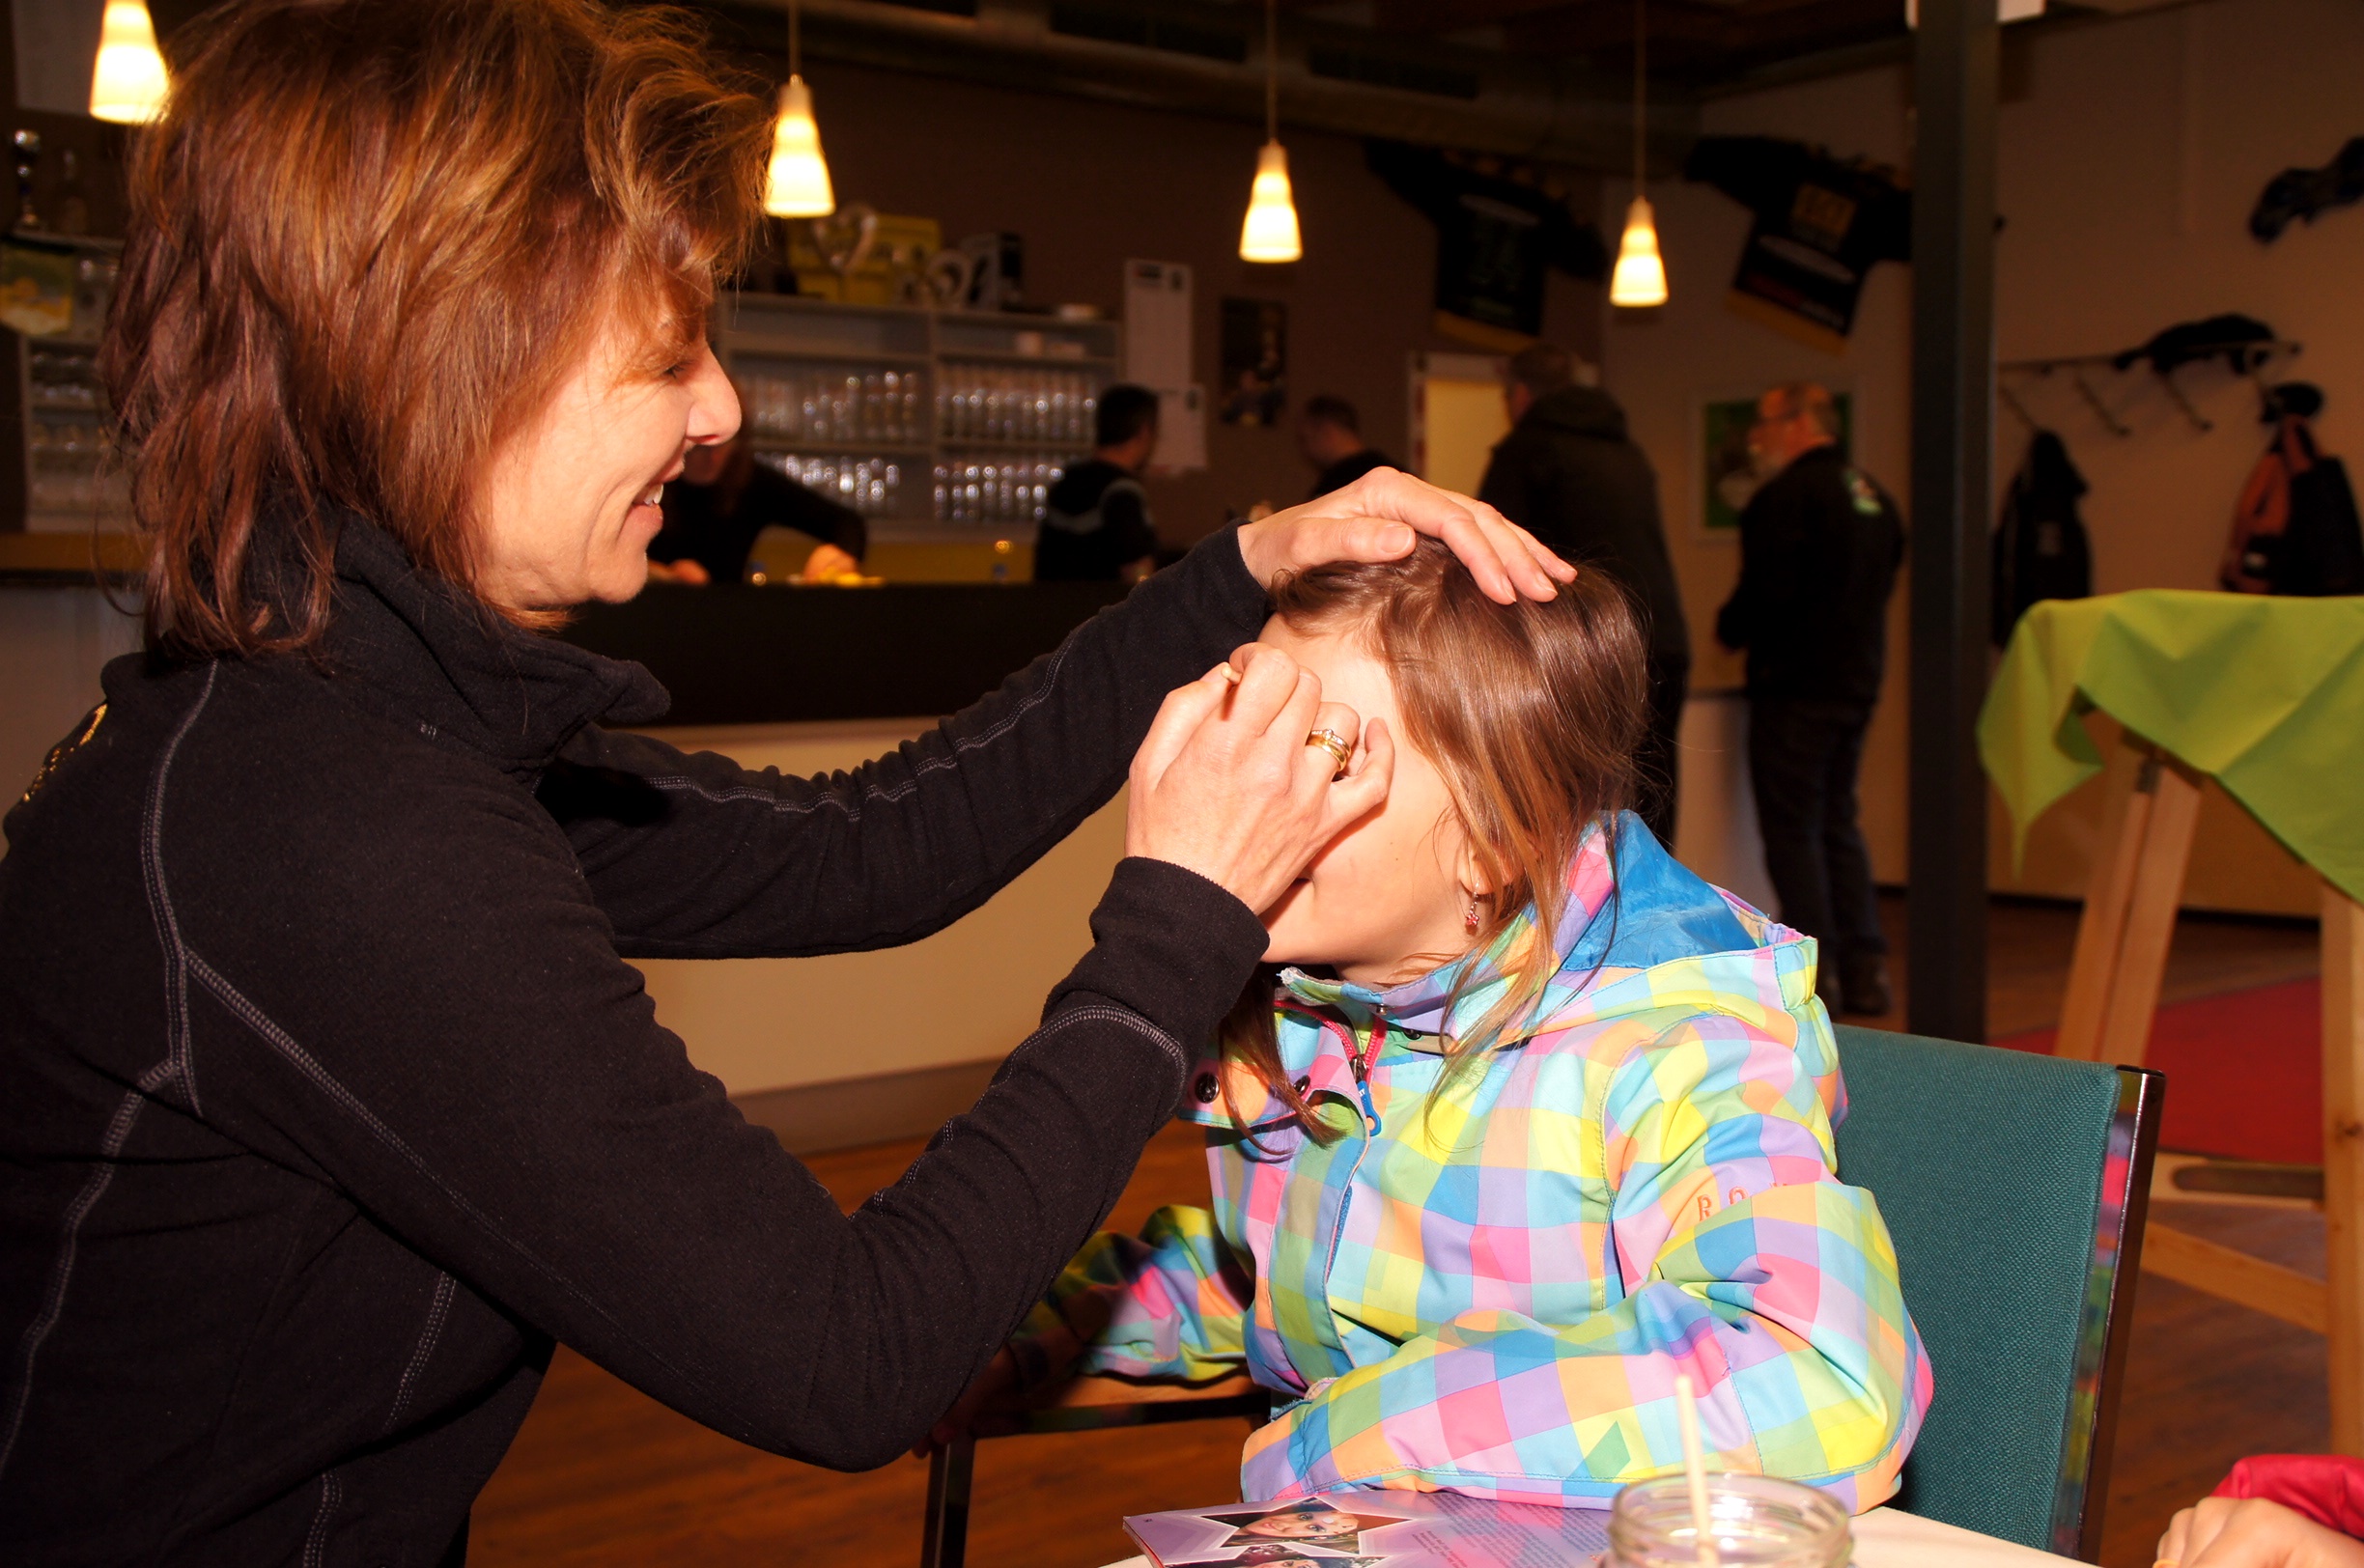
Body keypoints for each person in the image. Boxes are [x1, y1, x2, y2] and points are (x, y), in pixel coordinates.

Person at [0, 5, 1574, 1562]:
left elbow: (865, 848)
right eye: (664, 353)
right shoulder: (333, 833)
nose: (719, 412)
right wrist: (1181, 915)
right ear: (445, 362)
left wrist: (1234, 571)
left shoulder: (364, 728)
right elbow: (849, 1349)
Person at [939, 537, 1931, 1510]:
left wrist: (1348, 1433)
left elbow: (1820, 1378)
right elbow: (1280, 1281)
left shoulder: (1677, 1043)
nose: (1246, 791)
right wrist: (1024, 1337)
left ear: (1494, 840)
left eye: (1323, 753)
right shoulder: (1303, 1001)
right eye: (1247, 733)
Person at [1713, 381, 1905, 1018]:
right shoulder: (1872, 495)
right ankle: (1867, 967)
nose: (1756, 440)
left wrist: (1729, 628)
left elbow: (1764, 595)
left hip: (1795, 685)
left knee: (1794, 829)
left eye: (1763, 425)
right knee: (1837, 821)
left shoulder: (1786, 498)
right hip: (1857, 681)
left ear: (1798, 424)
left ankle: (1819, 978)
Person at [1478, 342, 1690, 849]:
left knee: (1578, 803)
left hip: (1590, 644)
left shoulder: (1528, 450)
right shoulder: (1626, 451)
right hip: (1662, 637)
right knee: (1651, 797)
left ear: (1520, 395)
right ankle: (1654, 898)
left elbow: (1487, 555)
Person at [645, 419, 867, 585]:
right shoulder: (647, 479)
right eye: (702, 446)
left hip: (729, 618)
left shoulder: (749, 480)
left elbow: (848, 523)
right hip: (648, 614)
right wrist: (662, 574)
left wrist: (838, 553)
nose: (714, 456)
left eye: (725, 442)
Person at [1037, 382, 1161, 583]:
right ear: (1145, 431)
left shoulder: (1066, 483)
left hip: (1056, 602)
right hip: (1105, 602)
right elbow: (1137, 570)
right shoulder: (1122, 492)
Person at [1298, 395, 1395, 500]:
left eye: (1304, 439)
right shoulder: (1393, 472)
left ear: (1327, 431)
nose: (1304, 451)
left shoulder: (1335, 486)